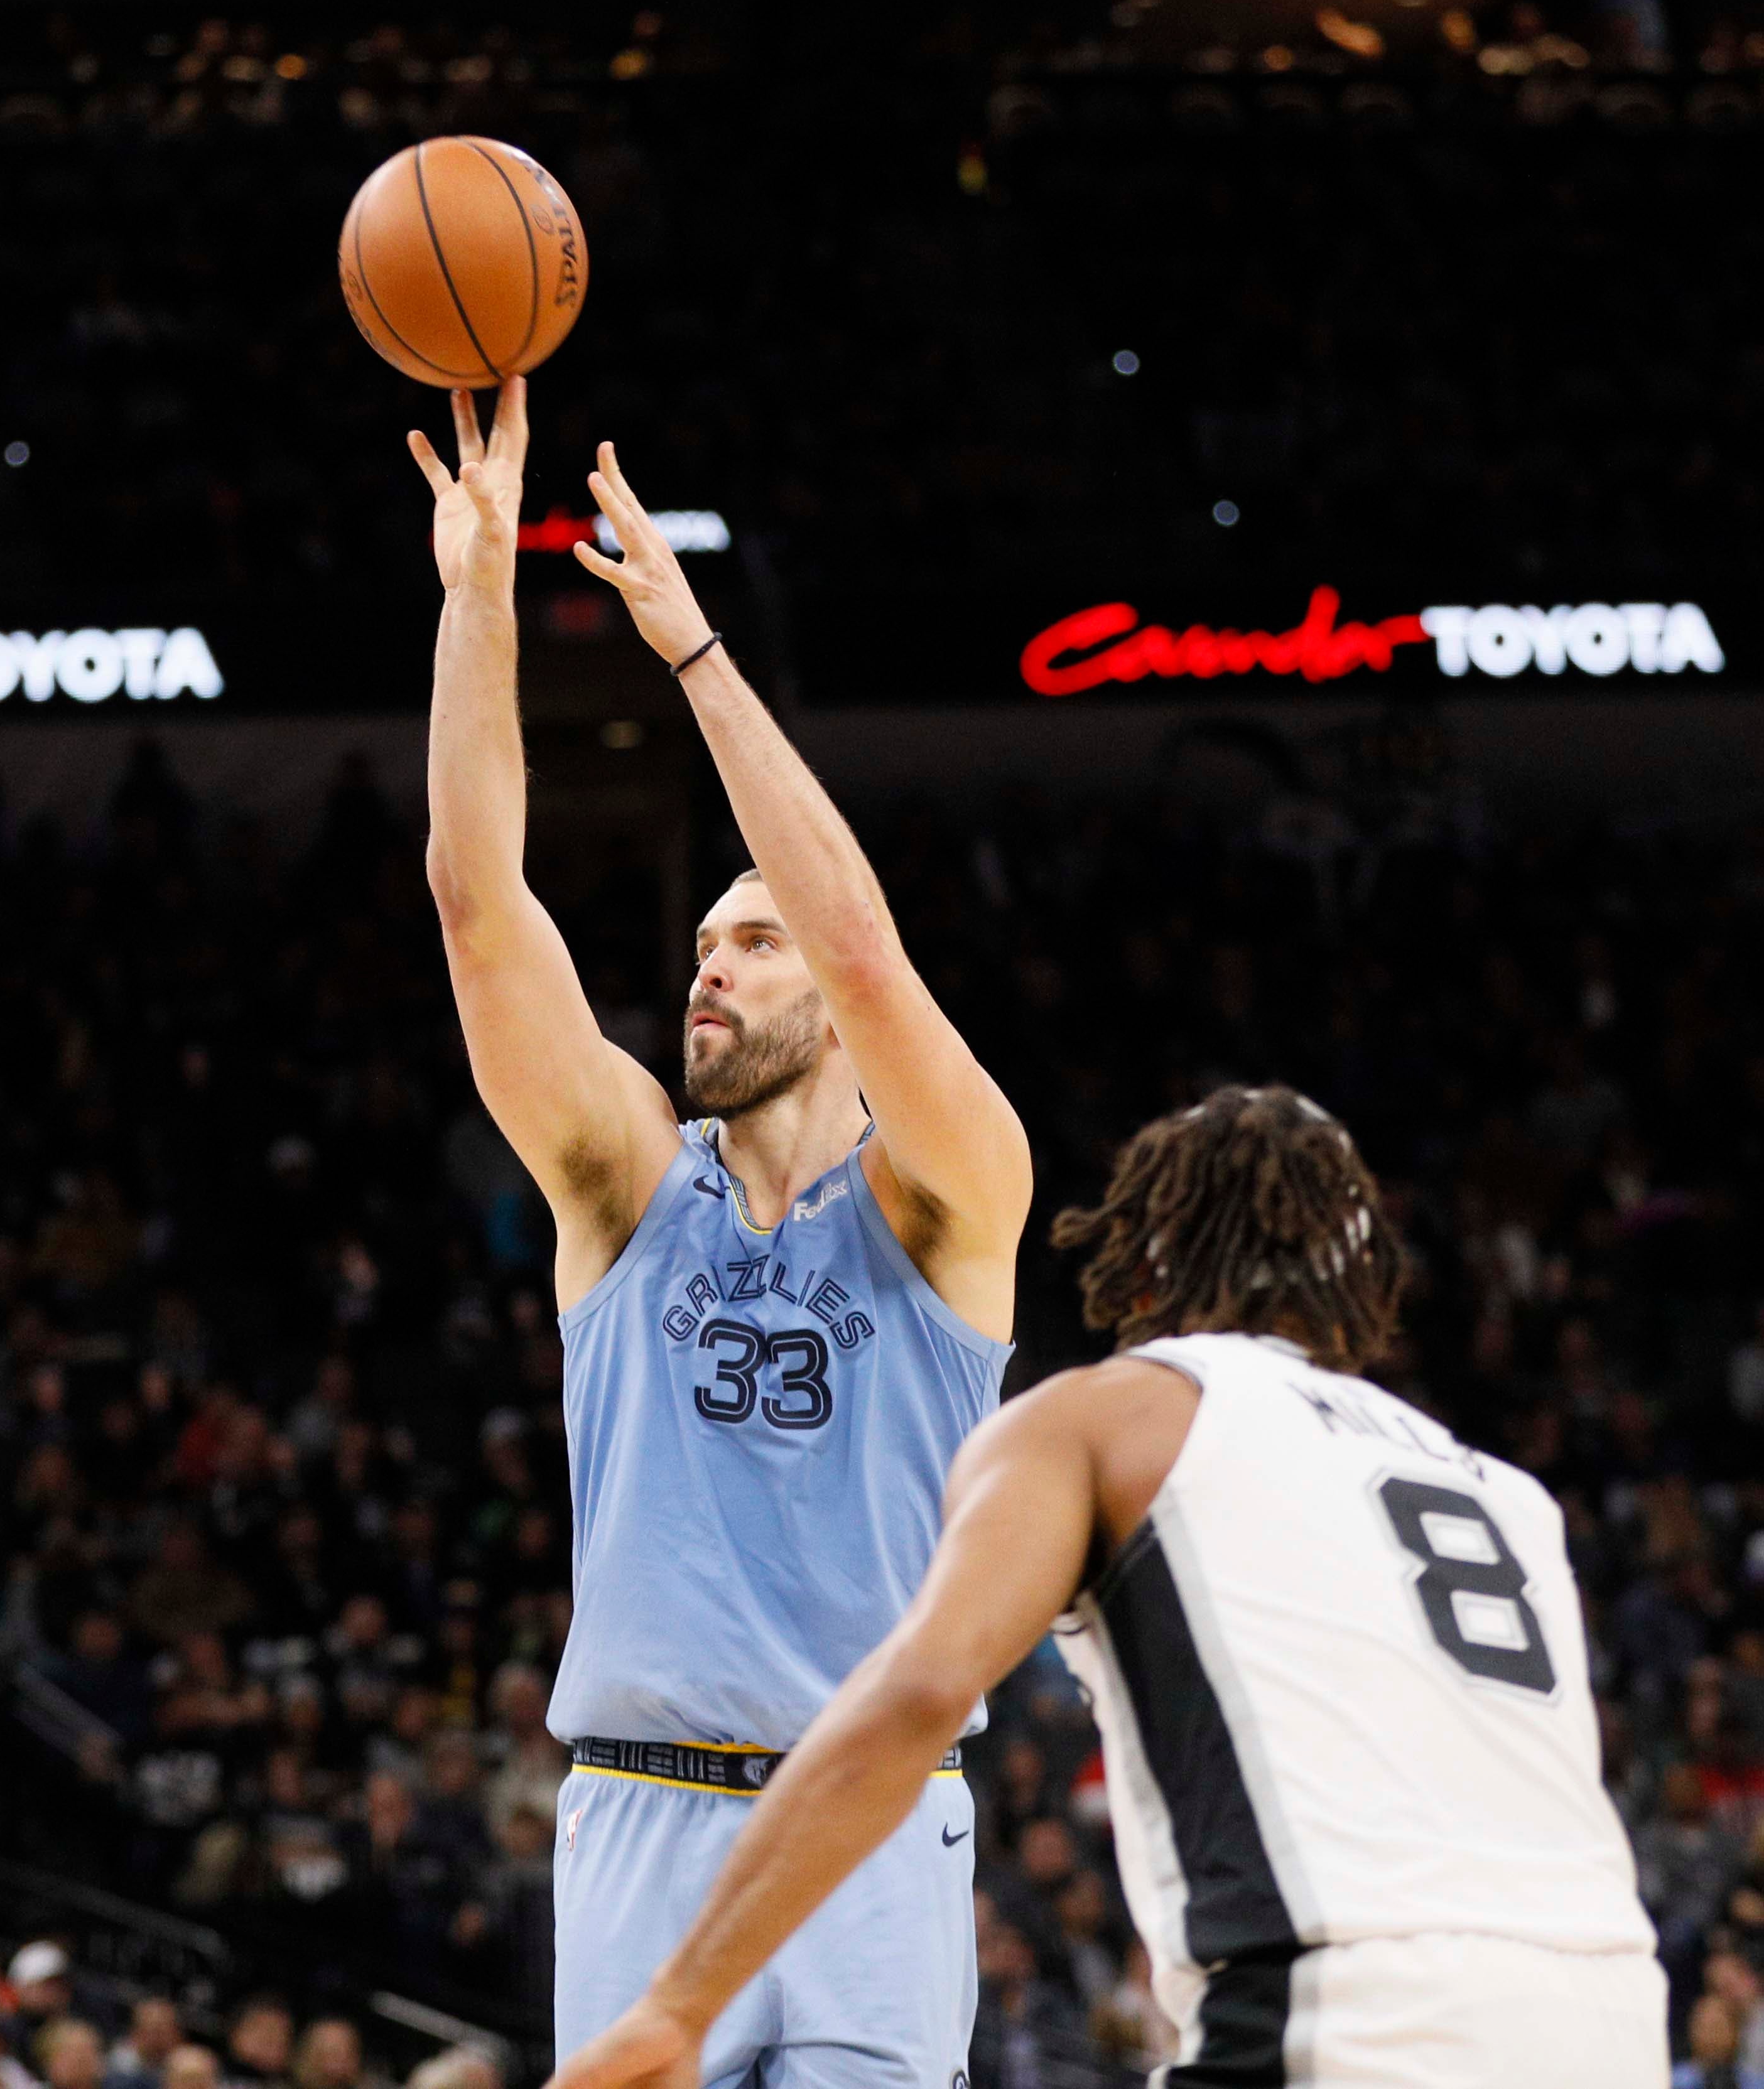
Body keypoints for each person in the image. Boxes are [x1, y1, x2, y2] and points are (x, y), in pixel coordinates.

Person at [546, 1088, 1665, 2089]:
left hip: (1348, 2008)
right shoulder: (1503, 1491)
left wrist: (679, 2003)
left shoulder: (1128, 1414)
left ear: (1142, 1257)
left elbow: (916, 1693)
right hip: (1612, 2007)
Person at [411, 383, 1027, 2085]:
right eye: (701, 940)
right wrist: (476, 592)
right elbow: (476, 903)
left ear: (822, 1000)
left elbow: (859, 938)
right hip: (636, 1814)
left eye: (749, 943)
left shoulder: (951, 1193)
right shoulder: (622, 1179)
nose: (711, 965)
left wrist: (692, 656)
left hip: (872, 1826)